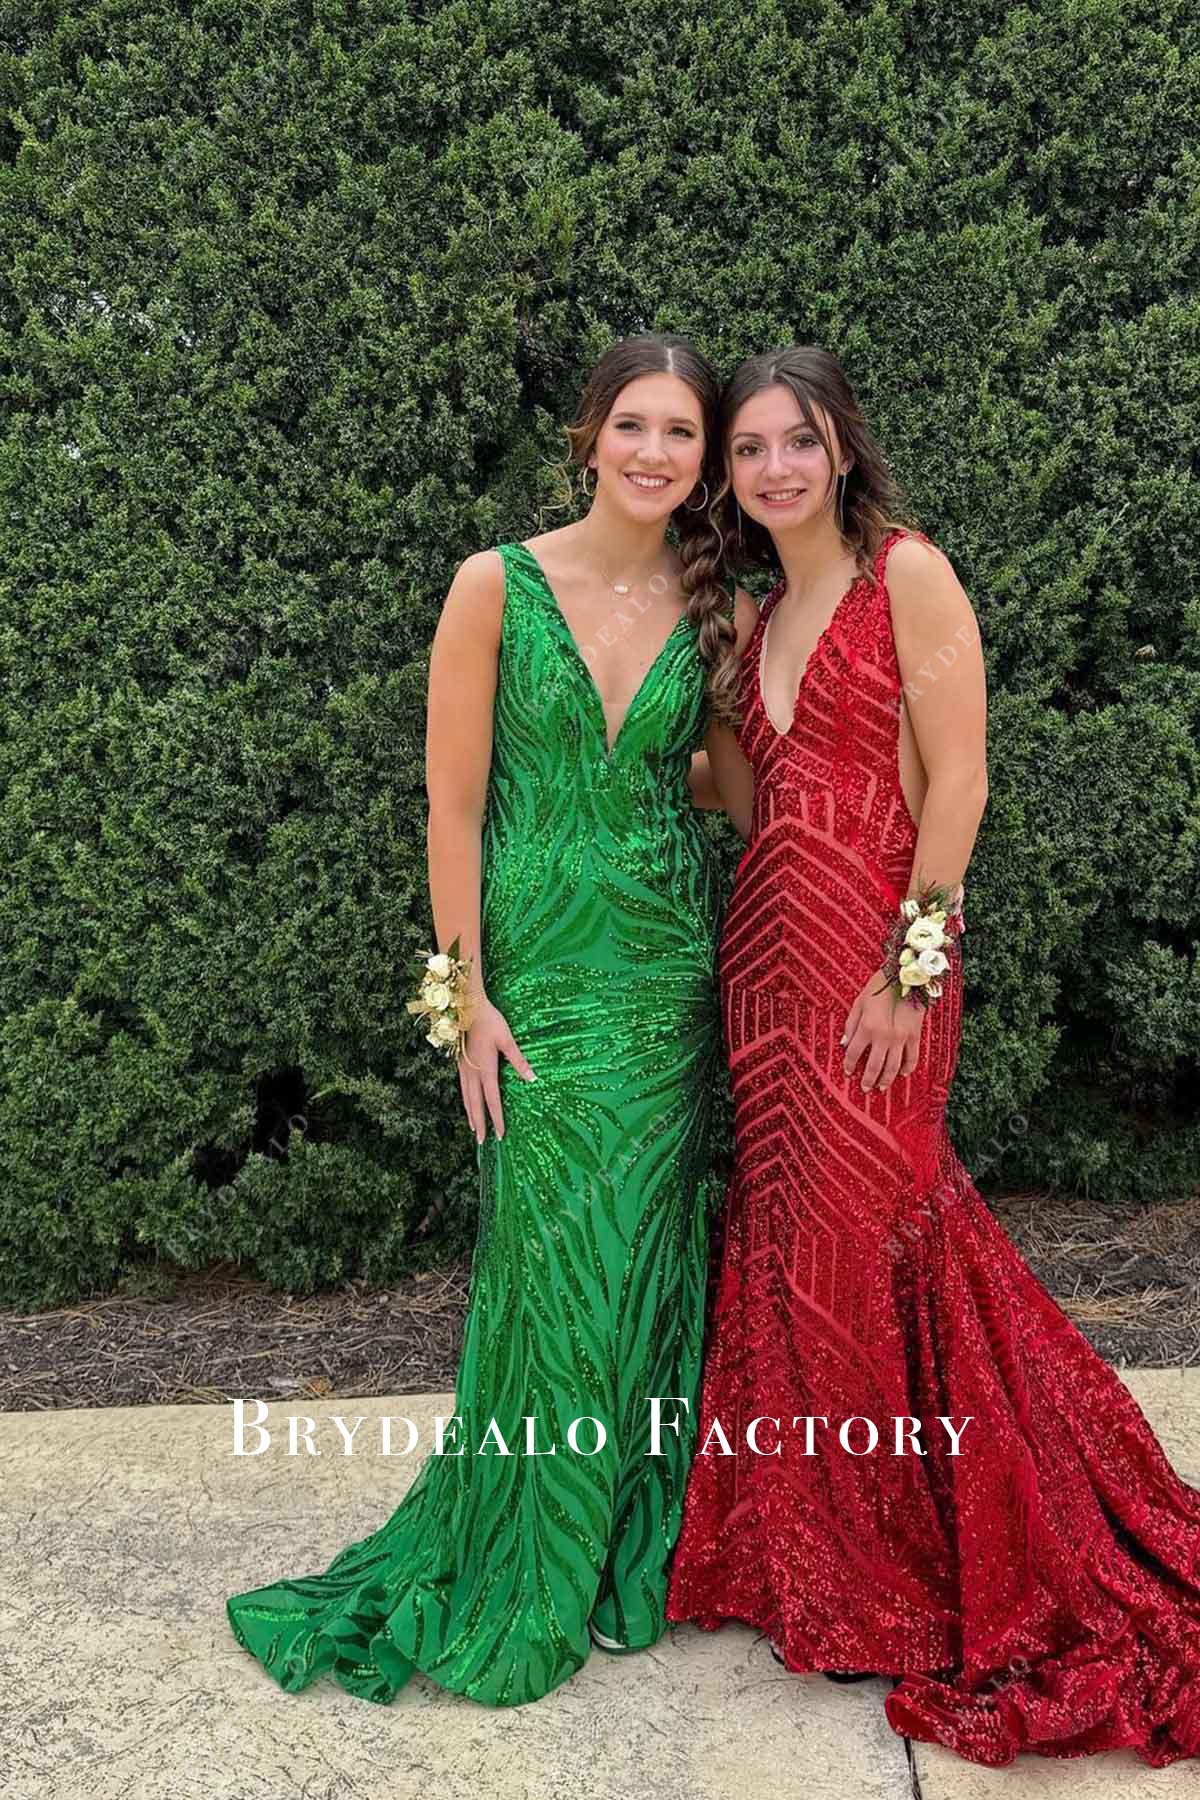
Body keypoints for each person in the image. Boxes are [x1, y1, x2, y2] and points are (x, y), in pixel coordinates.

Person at [665, 344, 1200, 1768]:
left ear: (840, 447)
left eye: (796, 440)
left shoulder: (908, 572)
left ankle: (910, 1567)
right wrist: (645, 724)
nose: (774, 467)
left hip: (880, 961)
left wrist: (914, 967)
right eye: (748, 450)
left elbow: (960, 775)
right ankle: (811, 1564)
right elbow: (744, 800)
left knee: (876, 1229)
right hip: (765, 962)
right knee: (789, 1239)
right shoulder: (751, 610)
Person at [226, 333, 744, 1706]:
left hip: (666, 973)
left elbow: (732, 784)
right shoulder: (493, 586)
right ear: (590, 438)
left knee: (646, 1256)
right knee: (550, 1259)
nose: (654, 452)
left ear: (704, 461)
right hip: (540, 974)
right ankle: (527, 1558)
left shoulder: (717, 604)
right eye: (634, 424)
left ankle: (629, 1545)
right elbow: (452, 808)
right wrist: (464, 1005)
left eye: (682, 433)